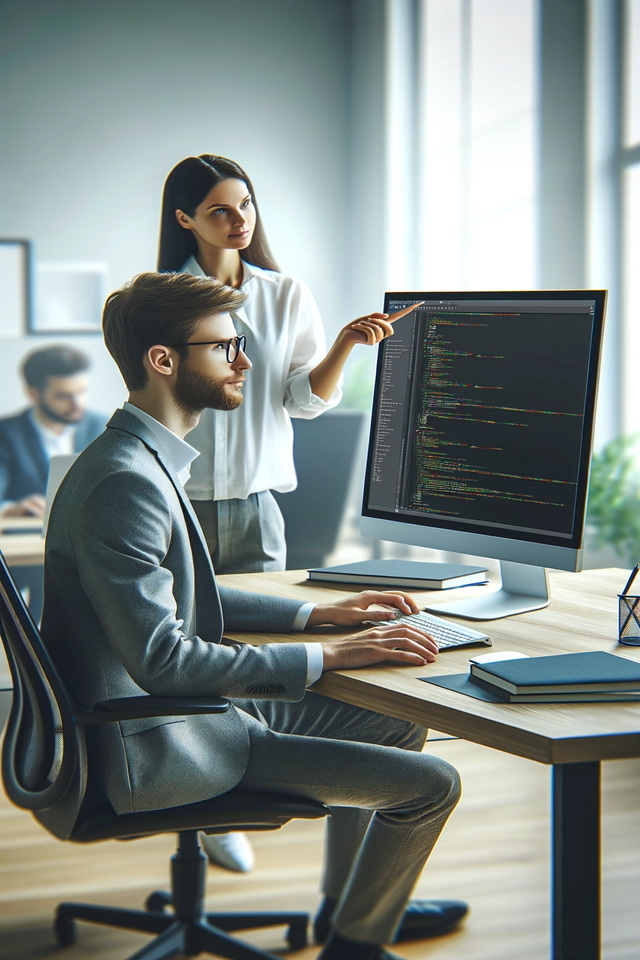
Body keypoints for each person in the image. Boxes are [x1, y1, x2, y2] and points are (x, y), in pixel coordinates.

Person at [41, 272, 464, 960]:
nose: (244, 362)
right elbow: (166, 660)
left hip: (171, 717)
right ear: (163, 360)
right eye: (225, 346)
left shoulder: (141, 458)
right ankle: (354, 948)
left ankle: (341, 910)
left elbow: (186, 593)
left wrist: (319, 617)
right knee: (433, 786)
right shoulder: (126, 481)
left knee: (398, 719)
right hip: (156, 742)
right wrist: (331, 658)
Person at [158, 154, 401, 873]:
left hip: (259, 508)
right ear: (184, 220)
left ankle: (234, 774)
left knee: (253, 658)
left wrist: (346, 348)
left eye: (247, 207)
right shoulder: (163, 298)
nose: (239, 222)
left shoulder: (283, 292)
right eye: (220, 212)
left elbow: (303, 398)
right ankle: (198, 790)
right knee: (192, 657)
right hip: (185, 507)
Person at [0, 345, 105, 517]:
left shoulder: (104, 427)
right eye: (63, 396)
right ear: (33, 393)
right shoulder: (5, 434)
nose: (77, 404)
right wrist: (11, 510)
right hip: (26, 536)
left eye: (82, 391)